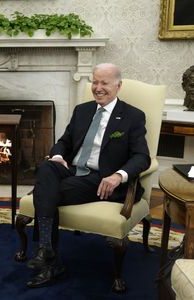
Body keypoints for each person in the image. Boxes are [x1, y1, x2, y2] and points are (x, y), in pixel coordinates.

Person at [26, 63, 151, 288]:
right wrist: (57, 157)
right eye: (95, 82)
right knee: (46, 167)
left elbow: (142, 157)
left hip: (100, 178)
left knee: (46, 191)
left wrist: (118, 176)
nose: (98, 88)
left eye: (104, 83)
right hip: (73, 170)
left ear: (118, 86)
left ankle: (49, 261)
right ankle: (48, 250)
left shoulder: (132, 116)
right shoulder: (82, 110)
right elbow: (64, 142)